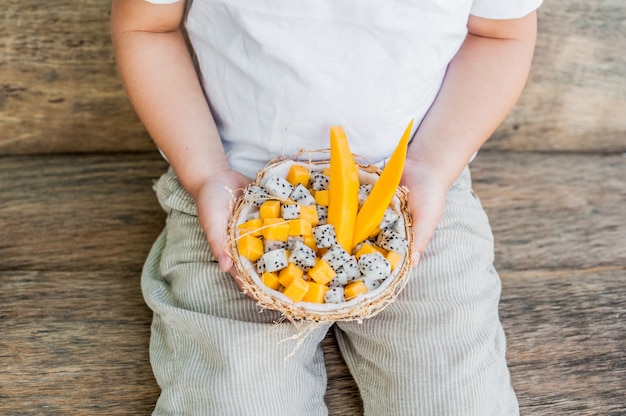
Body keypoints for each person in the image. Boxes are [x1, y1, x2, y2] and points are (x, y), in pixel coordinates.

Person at [111, 1, 541, 414]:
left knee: (455, 400)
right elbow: (148, 25)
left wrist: (433, 165)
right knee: (234, 400)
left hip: (419, 190)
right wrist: (205, 173)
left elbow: (499, 34)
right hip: (233, 195)